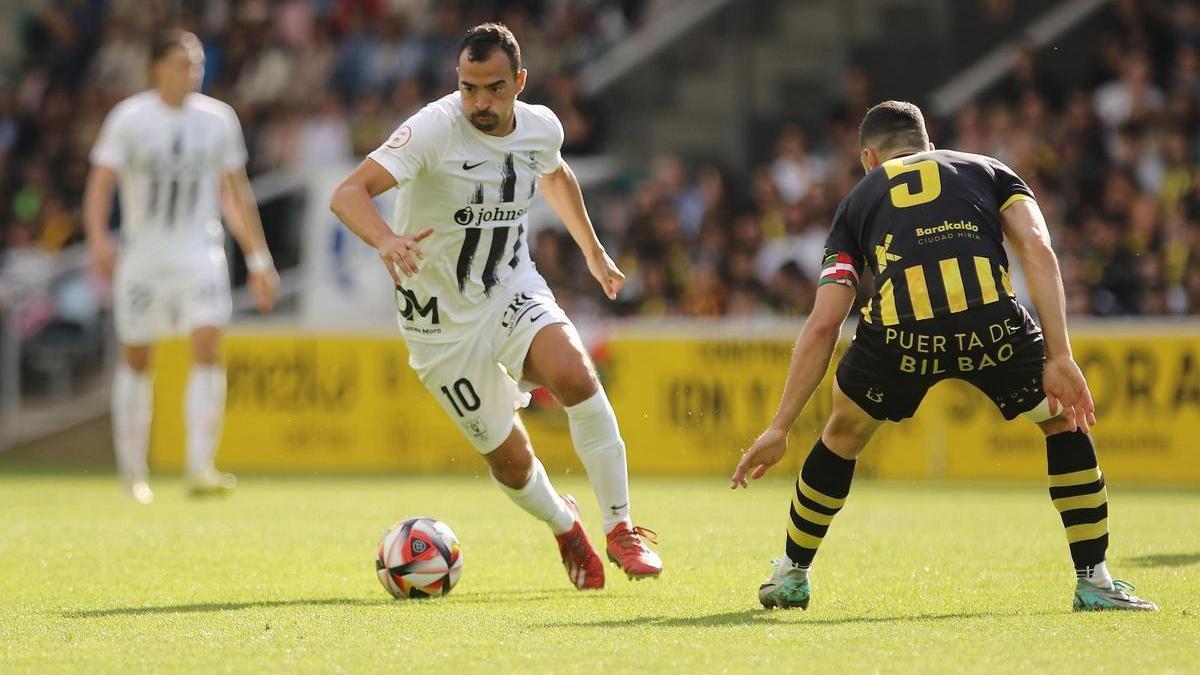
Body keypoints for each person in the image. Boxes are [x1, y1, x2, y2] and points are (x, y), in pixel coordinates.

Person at [731, 101, 1157, 612]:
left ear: (870, 156)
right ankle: (1095, 580)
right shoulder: (990, 170)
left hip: (900, 337)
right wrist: (1060, 353)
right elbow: (1039, 248)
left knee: (842, 434)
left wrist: (781, 425)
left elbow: (824, 323)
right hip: (991, 325)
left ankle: (791, 574)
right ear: (928, 143)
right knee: (1064, 422)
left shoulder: (858, 199)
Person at [330, 23, 661, 590]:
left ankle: (621, 526)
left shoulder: (540, 127)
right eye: (469, 88)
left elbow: (554, 173)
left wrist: (592, 250)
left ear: (520, 82)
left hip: (509, 286)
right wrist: (386, 240)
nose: (480, 103)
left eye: (494, 89)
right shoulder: (433, 129)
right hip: (437, 325)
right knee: (509, 460)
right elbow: (347, 193)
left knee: (575, 375)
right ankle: (565, 527)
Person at [83, 30, 279, 504]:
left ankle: (200, 466)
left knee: (209, 345)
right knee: (137, 358)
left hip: (199, 253)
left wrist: (258, 258)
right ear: (155, 67)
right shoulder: (129, 118)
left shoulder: (218, 120)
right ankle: (133, 472)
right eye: (180, 63)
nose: (191, 71)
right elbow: (100, 184)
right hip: (144, 257)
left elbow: (236, 193)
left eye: (195, 63)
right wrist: (97, 240)